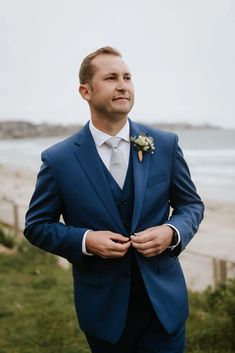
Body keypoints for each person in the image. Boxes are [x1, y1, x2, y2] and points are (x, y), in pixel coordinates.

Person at [24, 46, 204, 353]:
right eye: (111, 78)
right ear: (86, 91)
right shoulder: (59, 160)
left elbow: (191, 205)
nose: (123, 85)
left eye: (127, 77)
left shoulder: (164, 144)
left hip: (164, 307)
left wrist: (172, 232)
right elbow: (37, 225)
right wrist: (85, 240)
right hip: (103, 312)